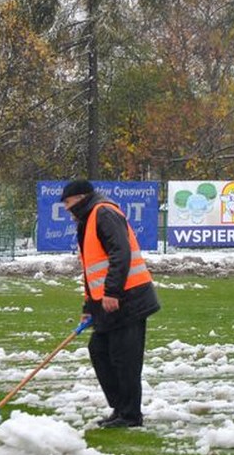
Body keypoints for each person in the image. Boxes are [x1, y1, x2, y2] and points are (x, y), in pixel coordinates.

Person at [60, 180, 160, 428]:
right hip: (106, 302)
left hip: (128, 299)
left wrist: (112, 292)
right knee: (100, 351)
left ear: (81, 198)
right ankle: (120, 408)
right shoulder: (88, 219)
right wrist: (88, 308)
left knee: (124, 359)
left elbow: (121, 253)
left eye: (68, 203)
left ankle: (130, 415)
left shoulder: (103, 212)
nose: (66, 209)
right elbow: (92, 270)